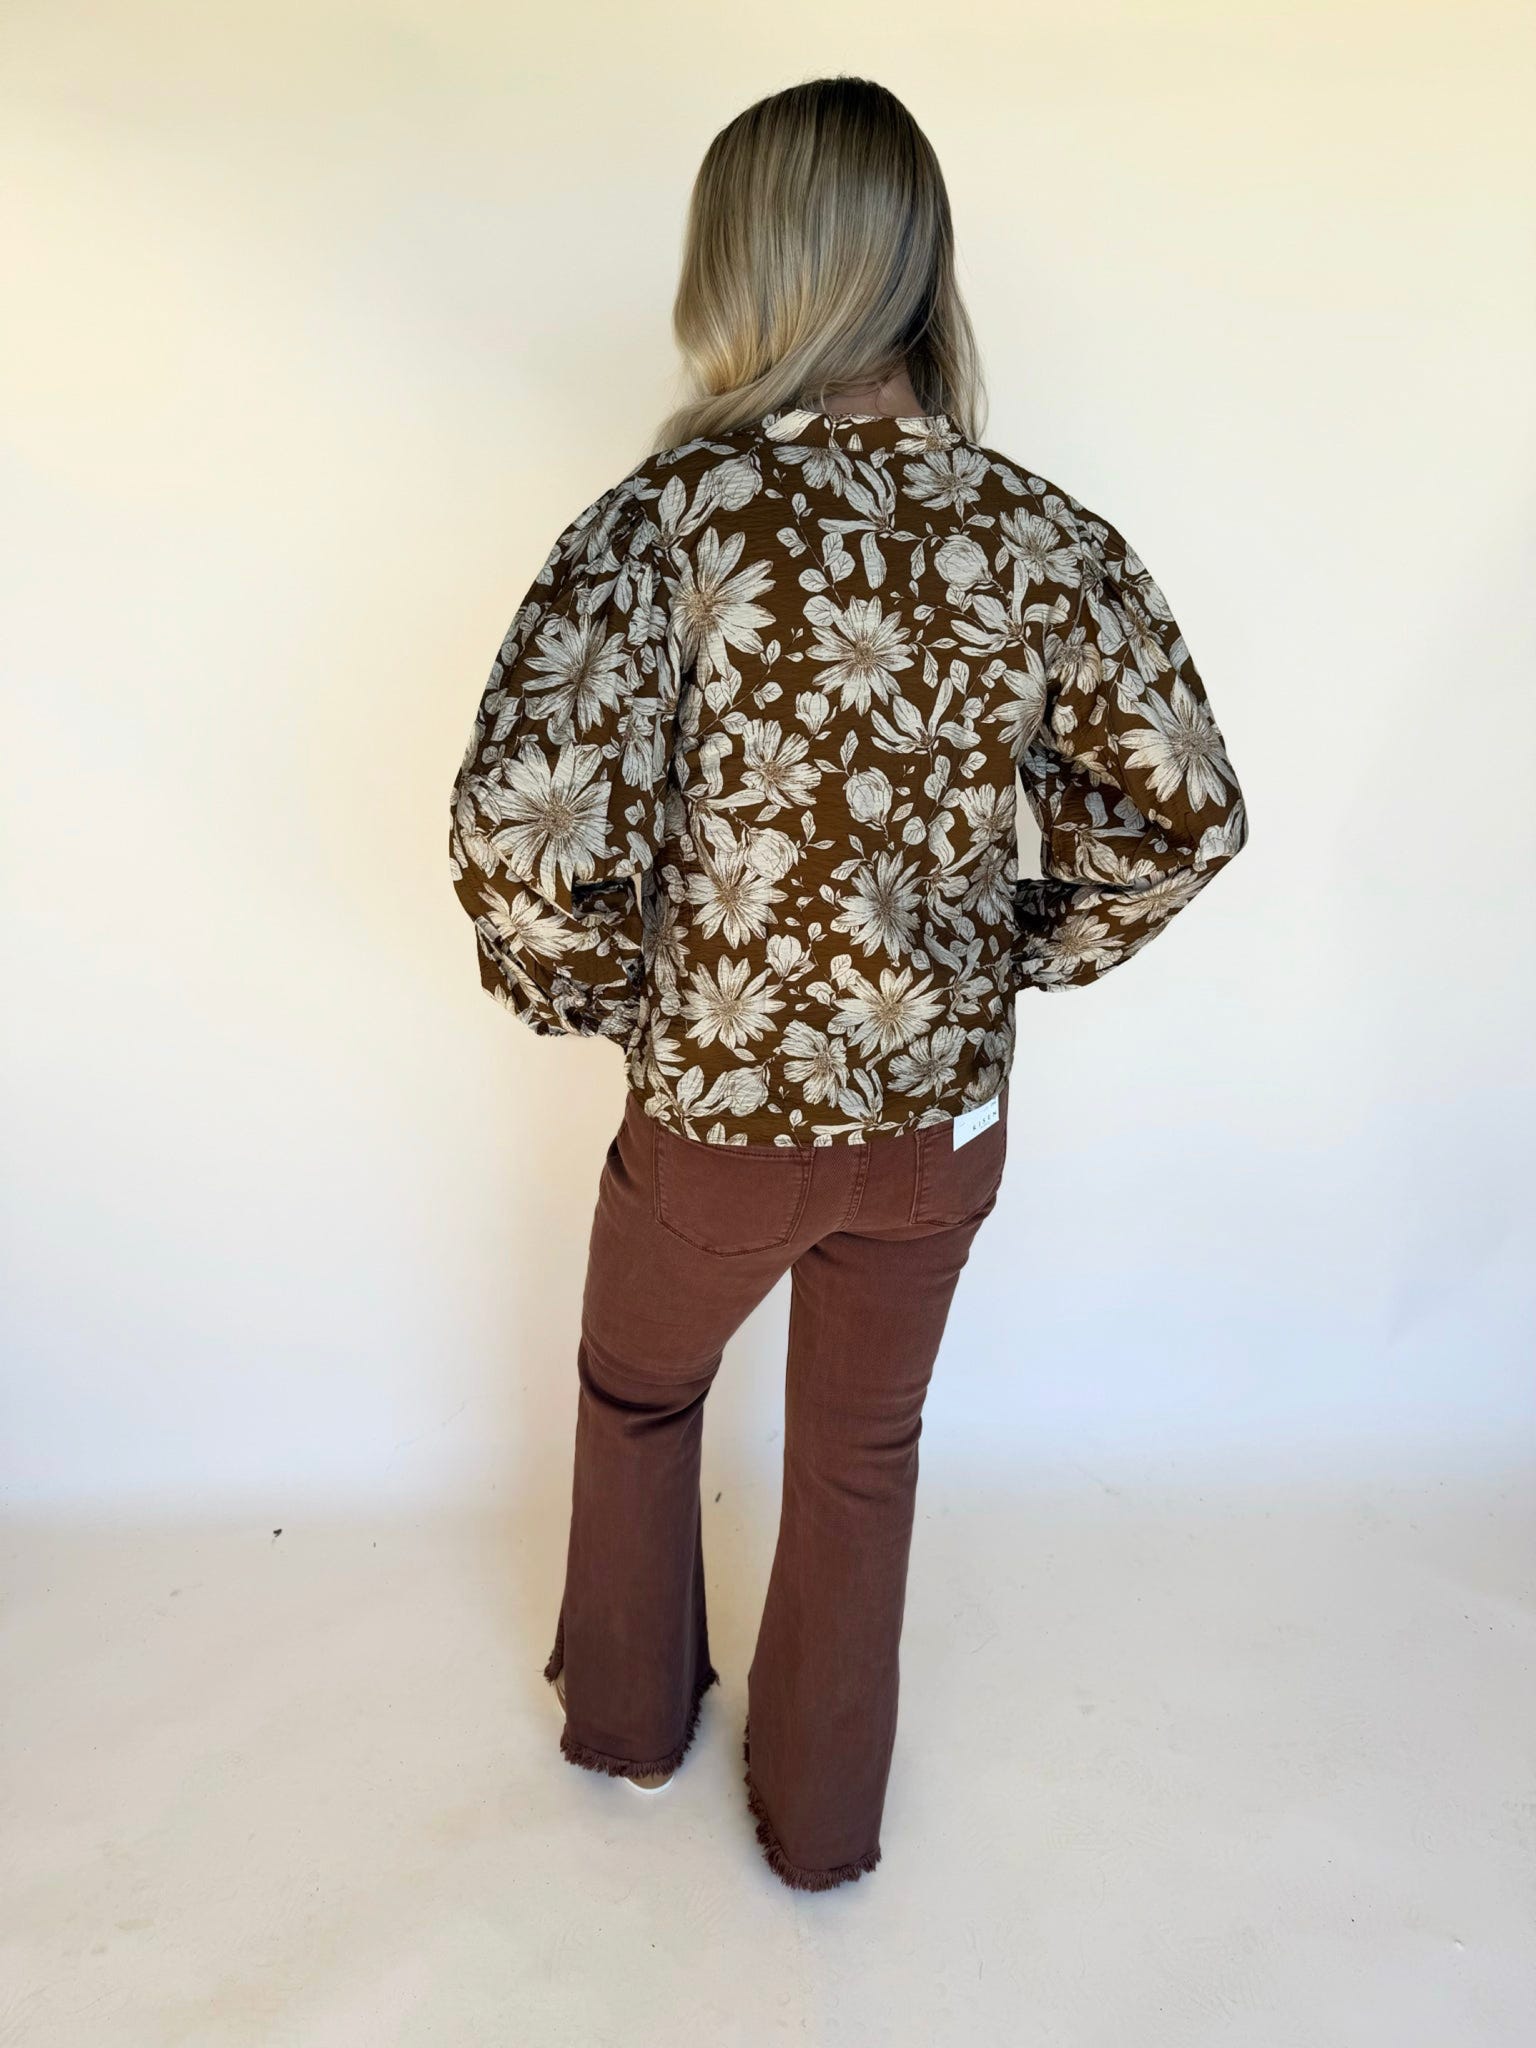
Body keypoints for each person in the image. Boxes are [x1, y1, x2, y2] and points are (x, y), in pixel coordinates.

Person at [448, 74, 1248, 1892]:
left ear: (742, 271)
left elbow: (520, 827)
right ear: (919, 274)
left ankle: (632, 1734)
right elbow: (1187, 810)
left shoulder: (668, 525)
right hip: (937, 1131)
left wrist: (602, 995)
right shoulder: (1036, 537)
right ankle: (823, 1833)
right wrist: (1015, 959)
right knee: (862, 1453)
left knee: (639, 1393)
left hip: (718, 1123)